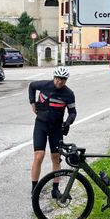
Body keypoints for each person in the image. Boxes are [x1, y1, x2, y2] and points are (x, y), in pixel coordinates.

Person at [29, 66, 76, 198]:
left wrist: (67, 123)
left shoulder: (68, 94)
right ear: (54, 77)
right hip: (41, 125)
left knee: (56, 158)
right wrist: (32, 102)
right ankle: (35, 188)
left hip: (56, 128)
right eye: (57, 78)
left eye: (63, 79)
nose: (59, 81)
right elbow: (31, 86)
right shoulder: (44, 85)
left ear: (66, 80)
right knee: (39, 155)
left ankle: (55, 189)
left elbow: (73, 112)